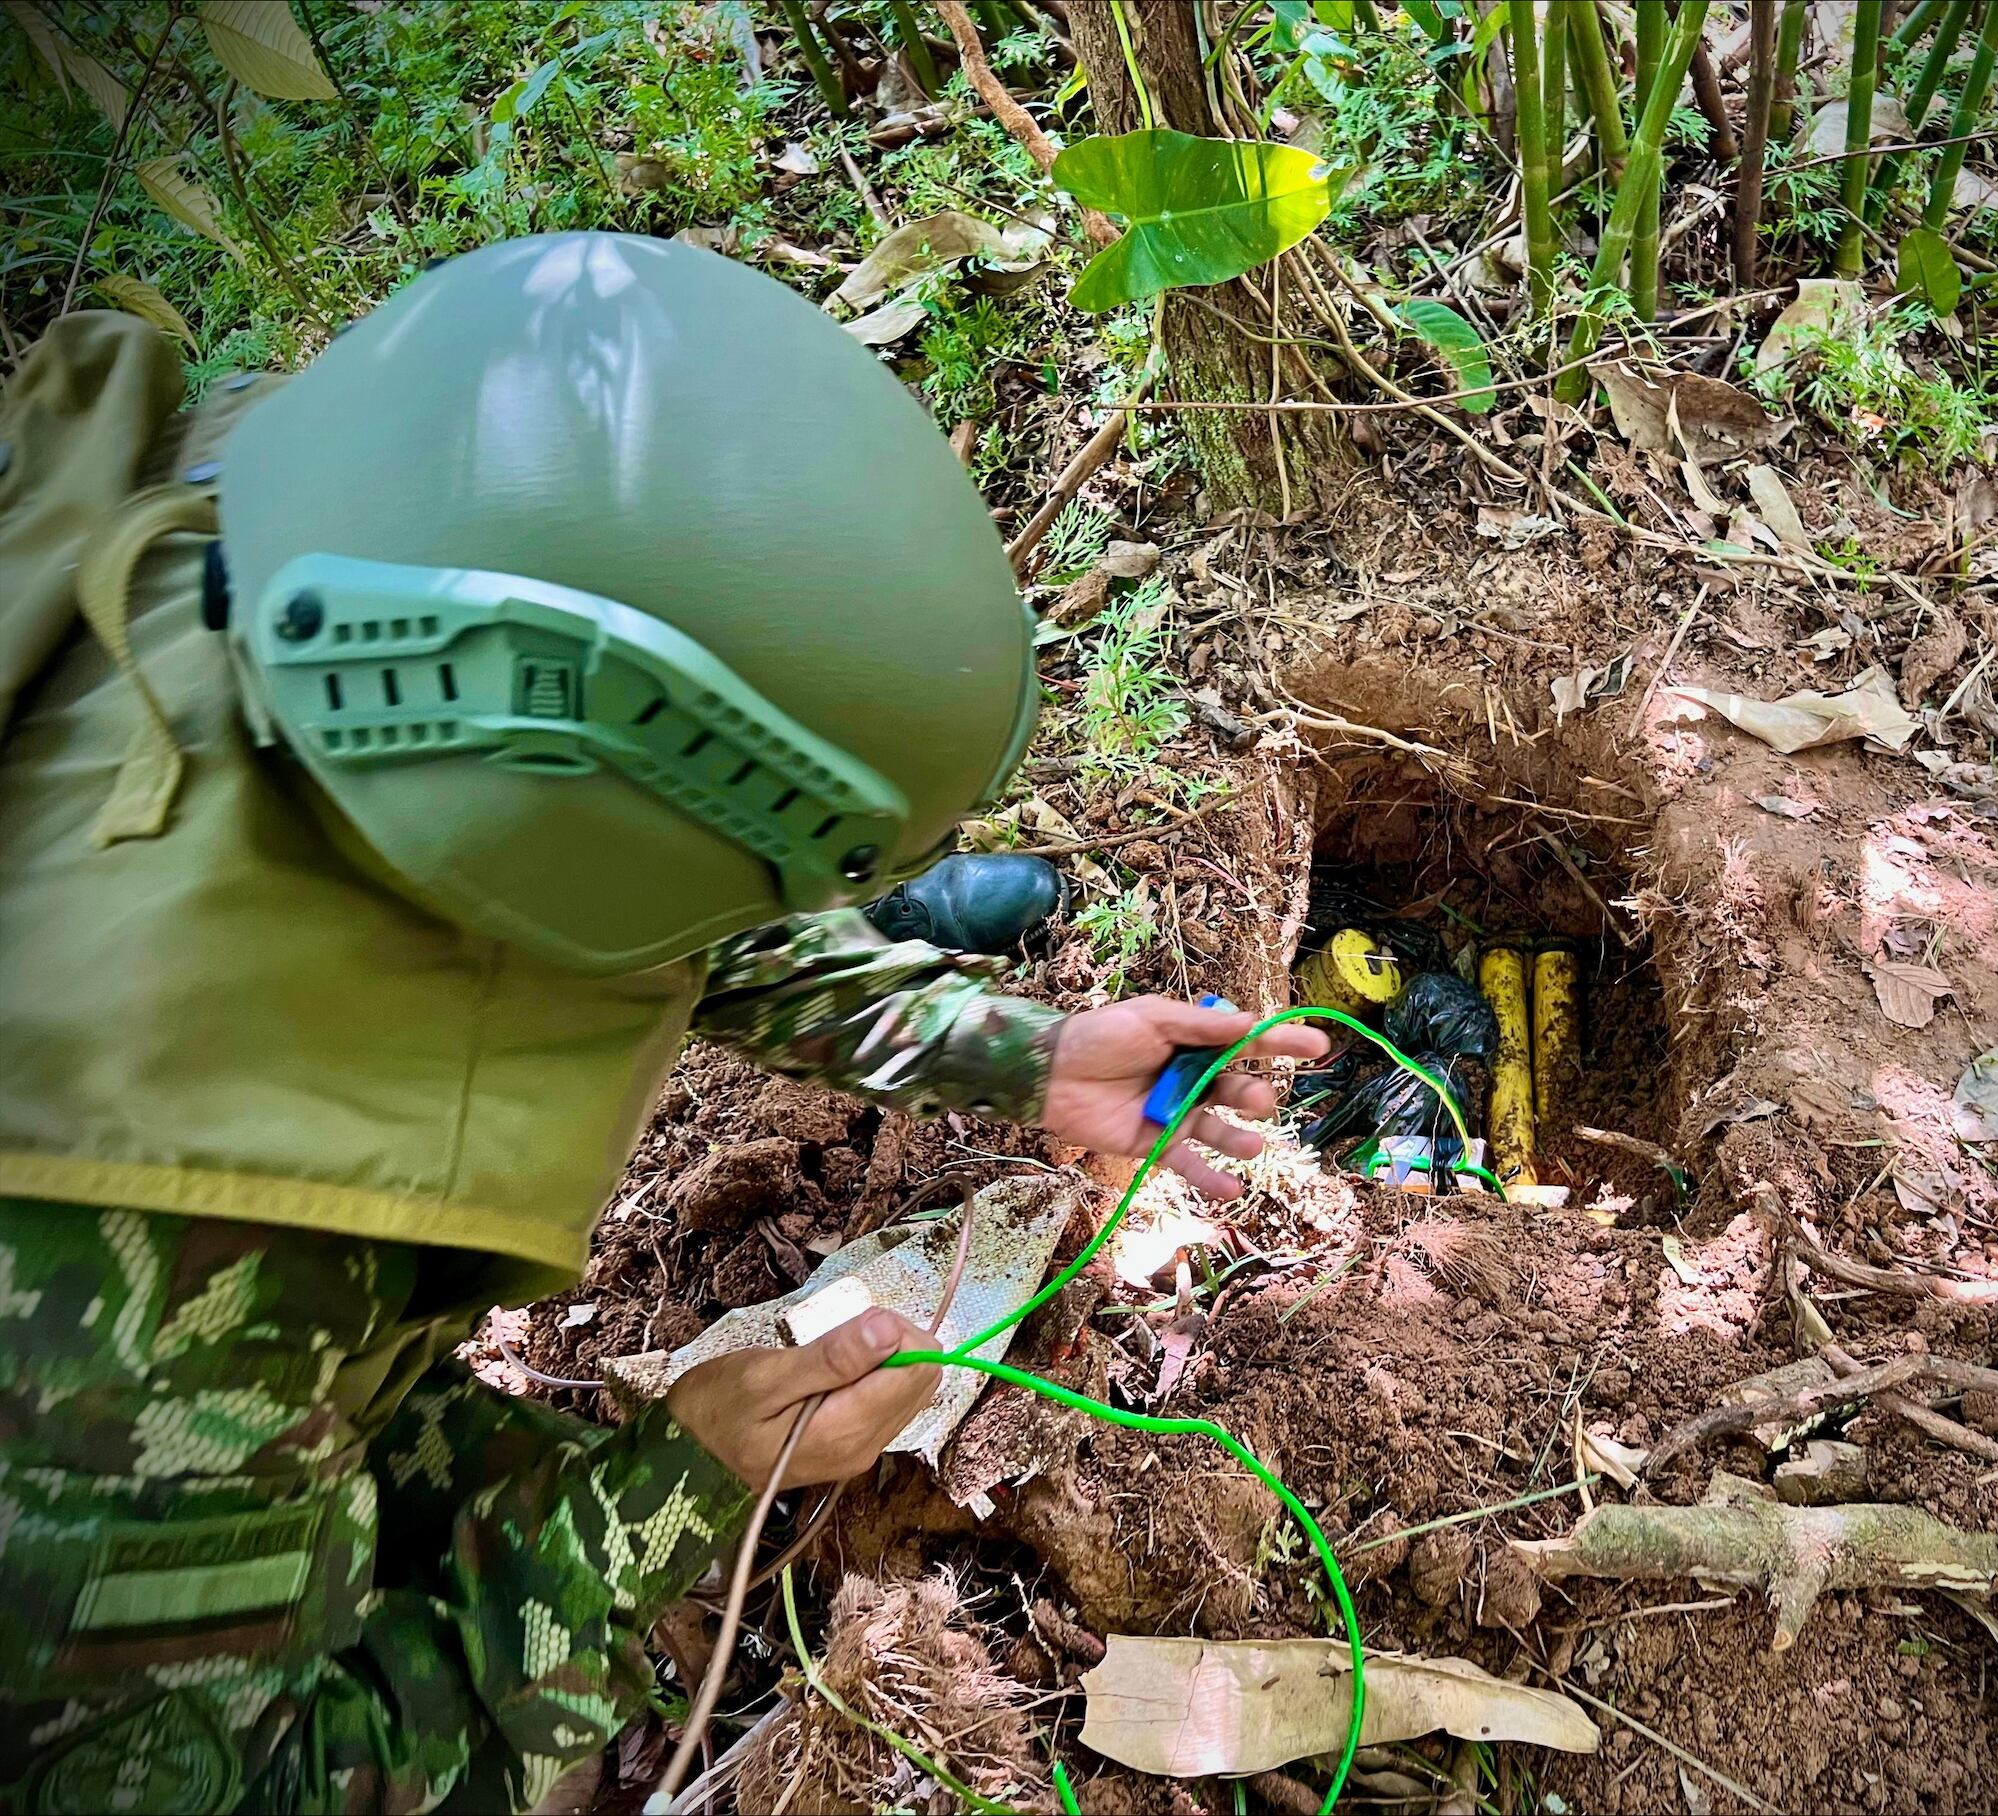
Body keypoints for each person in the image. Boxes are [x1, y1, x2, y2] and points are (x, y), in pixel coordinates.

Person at [0, 233, 1324, 1814]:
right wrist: (668, 1497)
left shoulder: (326, 532)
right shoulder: (165, 1280)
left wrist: (1016, 1053)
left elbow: (626, 903)